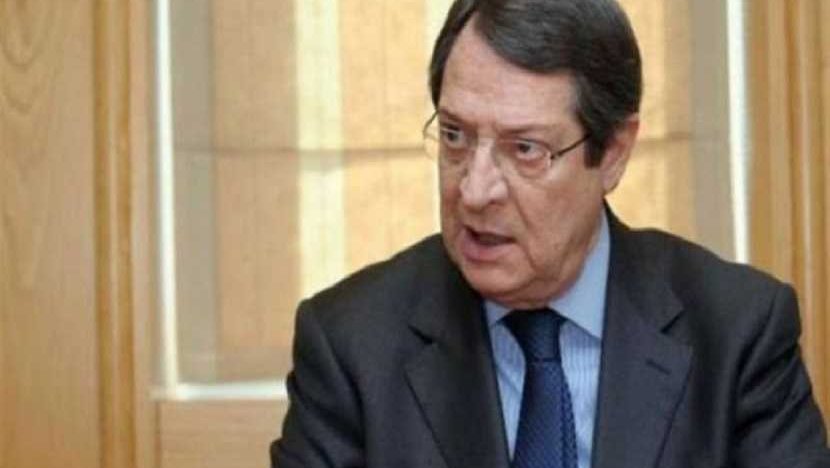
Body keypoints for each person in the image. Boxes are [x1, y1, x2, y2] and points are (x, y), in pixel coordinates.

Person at [271, 0, 830, 467]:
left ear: (613, 154)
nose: (475, 190)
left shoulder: (736, 334)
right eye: (455, 136)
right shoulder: (351, 345)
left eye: (525, 149)